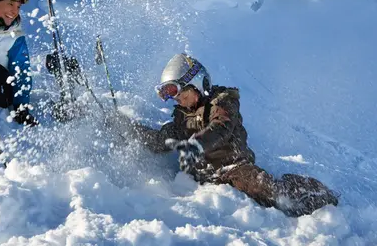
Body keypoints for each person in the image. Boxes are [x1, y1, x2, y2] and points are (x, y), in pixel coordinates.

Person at [110, 53, 338, 217]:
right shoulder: (181, 116)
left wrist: (195, 145)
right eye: (169, 95)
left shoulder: (222, 102)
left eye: (178, 92)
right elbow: (161, 140)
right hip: (205, 177)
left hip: (234, 168)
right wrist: (125, 128)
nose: (175, 99)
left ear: (195, 84)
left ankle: (314, 193)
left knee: (265, 190)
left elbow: (221, 127)